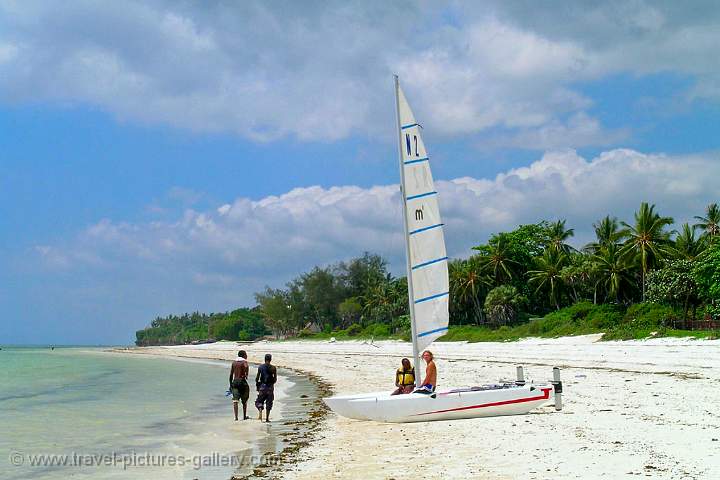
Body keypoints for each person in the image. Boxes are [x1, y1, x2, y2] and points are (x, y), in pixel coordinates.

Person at [255, 353, 277, 422]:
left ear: (265, 359)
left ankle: (260, 410)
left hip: (262, 386)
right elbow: (275, 379)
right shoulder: (273, 368)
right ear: (270, 359)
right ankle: (267, 418)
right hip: (270, 387)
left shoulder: (260, 367)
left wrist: (258, 385)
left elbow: (257, 378)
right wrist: (272, 384)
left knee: (259, 401)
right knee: (269, 403)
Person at [229, 350, 250, 421]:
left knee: (235, 400)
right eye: (246, 354)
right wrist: (246, 373)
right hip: (242, 382)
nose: (246, 356)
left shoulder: (234, 363)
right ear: (243, 355)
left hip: (235, 382)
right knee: (244, 400)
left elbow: (231, 375)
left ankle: (236, 418)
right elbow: (246, 369)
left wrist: (230, 385)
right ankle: (244, 416)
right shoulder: (244, 362)